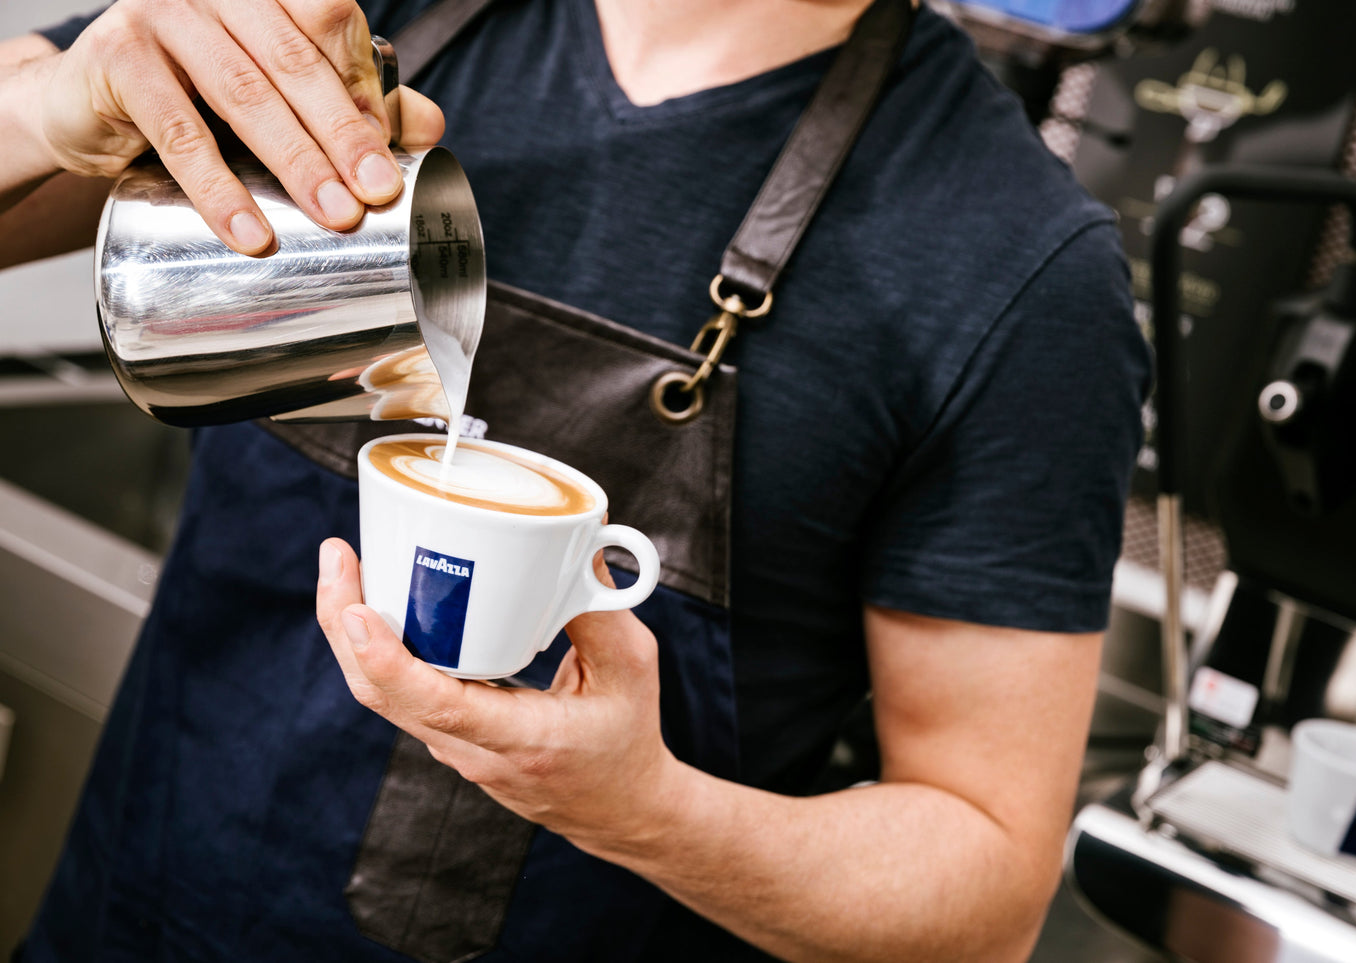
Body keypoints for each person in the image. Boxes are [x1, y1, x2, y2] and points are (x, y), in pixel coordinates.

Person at [0, 0, 1151, 960]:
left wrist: (649, 813)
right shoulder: (345, 25)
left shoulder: (1019, 265)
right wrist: (50, 108)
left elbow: (986, 893)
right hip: (119, 918)